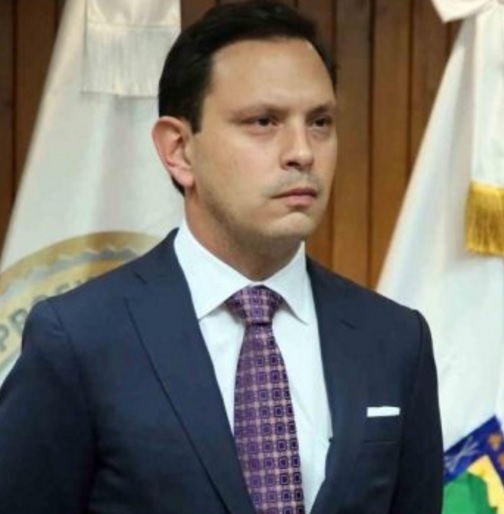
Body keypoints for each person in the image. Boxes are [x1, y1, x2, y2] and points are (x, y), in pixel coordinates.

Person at [0, 1, 443, 513]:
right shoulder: (79, 339)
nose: (303, 151)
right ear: (179, 150)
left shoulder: (395, 340)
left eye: (320, 122)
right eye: (263, 121)